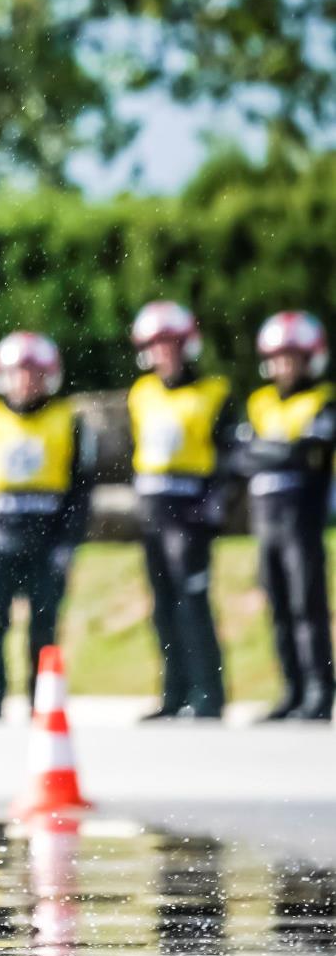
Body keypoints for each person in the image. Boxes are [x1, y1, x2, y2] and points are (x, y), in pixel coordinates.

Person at [0, 332, 89, 721]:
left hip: (47, 542)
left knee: (44, 628)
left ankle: (39, 699)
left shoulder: (68, 421)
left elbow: (80, 491)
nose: (26, 381)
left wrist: (68, 542)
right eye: (18, 373)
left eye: (34, 373)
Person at [125, 300, 234, 721]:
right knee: (163, 607)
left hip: (192, 514)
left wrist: (212, 508)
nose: (163, 353)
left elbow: (228, 461)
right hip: (153, 514)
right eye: (156, 345)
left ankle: (209, 694)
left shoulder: (213, 393)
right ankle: (173, 694)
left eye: (171, 344)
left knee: (193, 603)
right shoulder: (141, 394)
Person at [236, 310, 335, 722]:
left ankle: (319, 690)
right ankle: (291, 689)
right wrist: (284, 451)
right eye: (278, 358)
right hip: (266, 520)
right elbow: (241, 457)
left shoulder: (323, 401)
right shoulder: (259, 402)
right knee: (277, 607)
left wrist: (271, 451)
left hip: (302, 518)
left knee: (306, 606)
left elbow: (308, 454)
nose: (284, 366)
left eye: (292, 358)